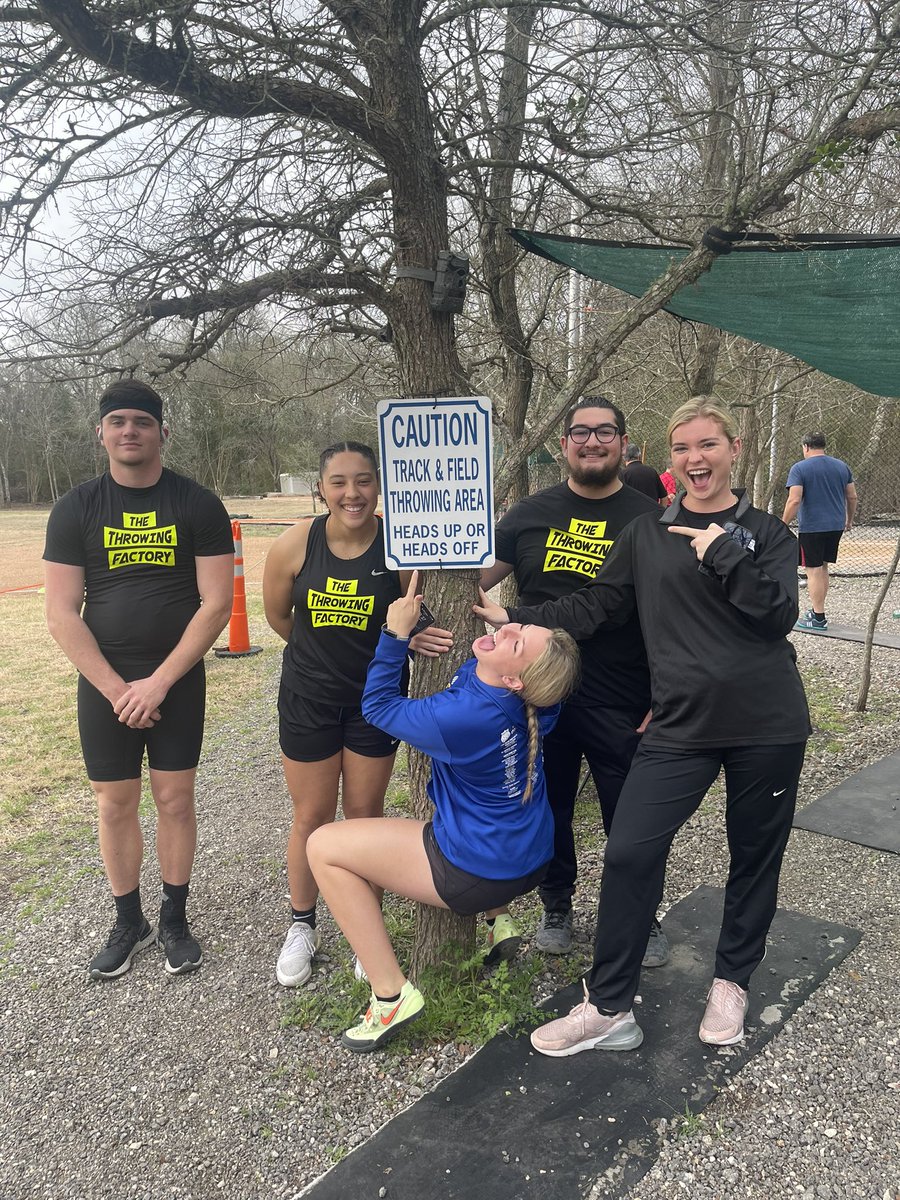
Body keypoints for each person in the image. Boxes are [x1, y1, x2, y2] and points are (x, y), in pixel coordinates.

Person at [475, 396, 810, 1052]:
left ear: (733, 449)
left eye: (708, 445)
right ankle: (608, 1006)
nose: (695, 459)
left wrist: (725, 556)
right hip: (680, 724)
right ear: (667, 456)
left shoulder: (767, 534)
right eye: (683, 448)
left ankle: (731, 982)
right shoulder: (647, 532)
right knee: (629, 851)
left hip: (766, 723)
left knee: (753, 859)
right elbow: (602, 603)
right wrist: (519, 617)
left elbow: (776, 617)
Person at [306, 573, 580, 1052]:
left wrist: (395, 636)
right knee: (471, 813)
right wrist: (503, 626)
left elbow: (378, 708)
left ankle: (389, 994)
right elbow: (495, 668)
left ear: (515, 679)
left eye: (516, 640)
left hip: (478, 873)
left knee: (323, 846)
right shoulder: (538, 699)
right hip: (532, 859)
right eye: (518, 626)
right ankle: (501, 922)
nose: (508, 628)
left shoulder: (464, 718)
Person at [43, 380, 235, 980]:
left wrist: (157, 684)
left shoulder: (198, 504)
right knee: (114, 802)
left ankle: (174, 916)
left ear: (161, 433)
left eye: (142, 422)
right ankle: (129, 921)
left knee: (175, 800)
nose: (130, 431)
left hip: (176, 680)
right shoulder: (76, 508)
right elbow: (60, 611)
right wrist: (117, 689)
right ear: (101, 432)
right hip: (105, 683)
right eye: (118, 421)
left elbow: (216, 605)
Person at [480, 396, 667, 966]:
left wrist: (669, 692)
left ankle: (638, 914)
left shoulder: (650, 518)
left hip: (623, 690)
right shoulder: (530, 513)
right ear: (562, 445)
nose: (592, 442)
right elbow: (470, 579)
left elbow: (672, 614)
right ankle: (556, 904)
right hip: (538, 689)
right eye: (580, 433)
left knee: (630, 813)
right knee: (548, 804)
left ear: (624, 443)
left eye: (604, 432)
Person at [263, 441, 451, 988]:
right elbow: (280, 618)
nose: (353, 493)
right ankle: (302, 925)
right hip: (308, 699)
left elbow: (409, 618)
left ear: (379, 485)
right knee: (313, 816)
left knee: (364, 816)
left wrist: (412, 639)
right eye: (340, 482)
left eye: (364, 480)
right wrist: (322, 658)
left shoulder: (400, 548)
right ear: (321, 488)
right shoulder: (294, 544)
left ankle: (364, 935)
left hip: (375, 703)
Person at [782, 432, 857, 631]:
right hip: (835, 525)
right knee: (823, 567)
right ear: (824, 445)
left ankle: (818, 618)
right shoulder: (842, 466)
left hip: (812, 527)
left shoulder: (799, 468)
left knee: (813, 570)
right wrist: (849, 520)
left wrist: (782, 523)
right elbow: (852, 497)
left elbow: (794, 500)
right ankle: (817, 611)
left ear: (806, 446)